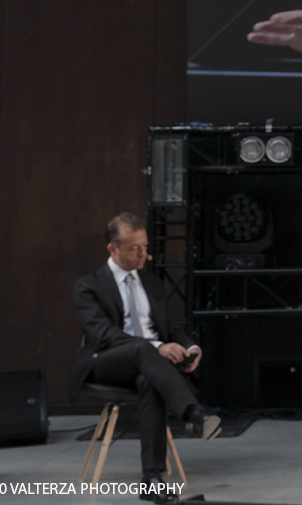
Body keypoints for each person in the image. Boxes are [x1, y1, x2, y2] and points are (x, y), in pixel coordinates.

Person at [70, 213, 220, 503]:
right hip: (106, 362)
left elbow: (173, 328)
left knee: (149, 379)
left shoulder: (151, 283)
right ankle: (193, 413)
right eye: (133, 248)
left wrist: (192, 349)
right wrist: (156, 347)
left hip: (149, 366)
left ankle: (152, 479)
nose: (144, 254)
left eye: (145, 245)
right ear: (112, 249)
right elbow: (102, 333)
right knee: (144, 350)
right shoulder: (88, 286)